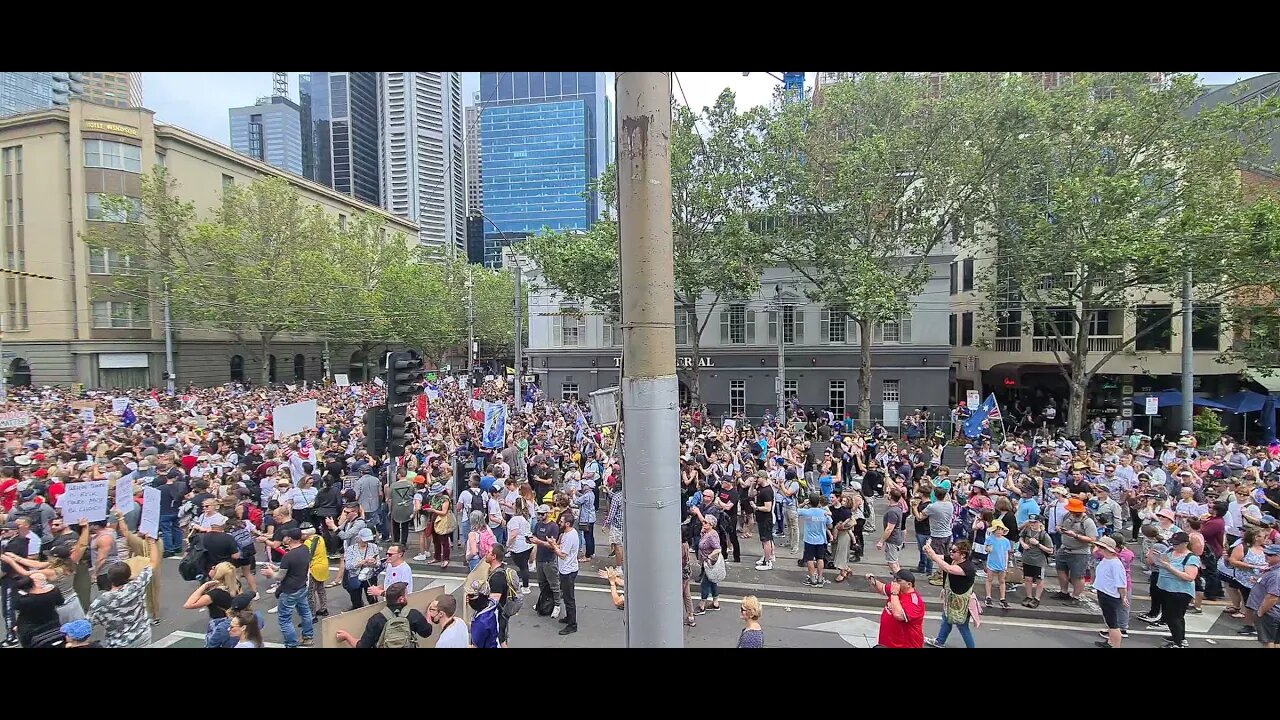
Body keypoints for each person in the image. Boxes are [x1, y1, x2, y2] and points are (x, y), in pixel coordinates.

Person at [86, 533, 161, 648]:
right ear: (129, 575)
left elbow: (87, 626)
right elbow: (153, 562)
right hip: (142, 636)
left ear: (110, 578)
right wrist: (151, 542)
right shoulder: (137, 586)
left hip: (119, 643)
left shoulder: (100, 603)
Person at [260, 527, 315, 648]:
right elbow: (293, 569)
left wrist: (271, 573)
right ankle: (308, 637)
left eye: (285, 536)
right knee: (305, 612)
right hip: (302, 587)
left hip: (289, 591)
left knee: (285, 619)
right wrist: (276, 568)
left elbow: (279, 577)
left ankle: (291, 644)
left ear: (289, 539)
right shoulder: (305, 549)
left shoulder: (288, 556)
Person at [334, 581, 432, 648]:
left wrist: (347, 636)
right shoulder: (413, 615)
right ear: (401, 599)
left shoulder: (376, 619)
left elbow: (362, 646)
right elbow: (427, 632)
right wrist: (429, 615)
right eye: (406, 594)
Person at [923, 539, 978, 648]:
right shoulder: (953, 559)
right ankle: (940, 641)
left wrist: (933, 554)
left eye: (954, 551)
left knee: (962, 626)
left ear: (963, 555)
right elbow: (938, 559)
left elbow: (948, 568)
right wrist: (928, 551)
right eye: (950, 550)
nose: (951, 552)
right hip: (952, 598)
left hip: (962, 602)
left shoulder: (967, 568)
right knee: (947, 618)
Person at [1155, 531, 1202, 648]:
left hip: (1179, 592)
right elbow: (1160, 561)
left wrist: (1169, 567)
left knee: (1173, 617)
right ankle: (1180, 637)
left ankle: (1178, 643)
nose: (1174, 545)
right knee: (1175, 616)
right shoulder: (1170, 551)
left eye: (1177, 543)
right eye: (1173, 543)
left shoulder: (1191, 558)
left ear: (1185, 543)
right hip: (1166, 588)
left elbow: (1189, 577)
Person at [1054, 497, 1097, 605]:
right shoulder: (1067, 516)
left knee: (1077, 575)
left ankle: (1076, 596)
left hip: (1079, 552)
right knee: (1060, 570)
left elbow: (1092, 539)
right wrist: (1059, 528)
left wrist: (1076, 536)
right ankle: (1064, 592)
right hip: (1064, 548)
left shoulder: (1088, 522)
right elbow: (1060, 525)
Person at [867, 568, 926, 648]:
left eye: (898, 580)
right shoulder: (898, 590)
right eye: (894, 579)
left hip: (905, 645)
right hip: (887, 643)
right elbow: (882, 588)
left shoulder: (915, 602)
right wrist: (873, 581)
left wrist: (894, 594)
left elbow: (899, 615)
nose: (894, 582)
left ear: (909, 584)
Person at [1092, 535, 1129, 648]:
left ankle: (1115, 645)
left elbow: (1121, 584)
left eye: (1101, 547)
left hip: (1110, 595)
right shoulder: (1106, 559)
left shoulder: (1115, 564)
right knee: (1109, 621)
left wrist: (1123, 598)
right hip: (1103, 592)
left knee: (1113, 624)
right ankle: (1110, 642)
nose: (1098, 549)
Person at [528, 504, 562, 618]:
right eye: (538, 513)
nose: (539, 516)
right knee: (542, 583)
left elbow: (553, 545)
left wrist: (539, 542)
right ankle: (543, 601)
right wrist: (530, 540)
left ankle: (557, 605)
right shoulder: (537, 525)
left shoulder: (553, 527)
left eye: (542, 514)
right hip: (540, 559)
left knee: (554, 584)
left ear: (548, 514)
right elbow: (535, 537)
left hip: (549, 560)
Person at [549, 510, 580, 635]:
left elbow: (562, 555)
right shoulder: (569, 533)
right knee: (567, 596)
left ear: (567, 524)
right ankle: (569, 618)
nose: (559, 523)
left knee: (569, 598)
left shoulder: (570, 536)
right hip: (567, 569)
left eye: (561, 521)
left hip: (568, 570)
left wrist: (553, 546)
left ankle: (572, 624)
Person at [1246, 544, 1280, 648]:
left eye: (1270, 554)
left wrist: (1261, 612)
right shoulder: (1273, 570)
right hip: (1272, 612)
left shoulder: (1276, 574)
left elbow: (1273, 596)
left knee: (1268, 641)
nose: (1266, 556)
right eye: (1265, 553)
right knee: (1276, 641)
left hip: (1269, 613)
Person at [340, 527, 381, 610]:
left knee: (373, 599)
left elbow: (378, 563)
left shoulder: (373, 547)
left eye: (368, 540)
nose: (366, 542)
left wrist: (374, 563)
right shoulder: (351, 549)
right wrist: (362, 562)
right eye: (364, 540)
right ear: (358, 538)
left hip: (369, 577)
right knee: (356, 601)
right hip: (355, 576)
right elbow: (348, 566)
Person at [799, 493, 833, 587]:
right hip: (821, 540)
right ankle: (820, 578)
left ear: (809, 502)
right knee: (820, 558)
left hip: (809, 540)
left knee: (810, 559)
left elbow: (795, 510)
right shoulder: (823, 512)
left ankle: (812, 578)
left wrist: (803, 504)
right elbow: (830, 525)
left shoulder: (807, 512)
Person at [299, 523, 329, 616]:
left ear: (305, 534)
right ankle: (324, 608)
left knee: (310, 592)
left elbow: (306, 556)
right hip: (323, 566)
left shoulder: (308, 542)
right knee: (321, 589)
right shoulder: (320, 538)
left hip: (314, 568)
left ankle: (312, 614)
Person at [983, 519, 1013, 609]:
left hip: (1001, 563)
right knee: (989, 579)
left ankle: (1002, 598)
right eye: (998, 529)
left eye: (1001, 529)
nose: (1000, 531)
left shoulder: (1006, 541)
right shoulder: (989, 539)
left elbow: (1006, 553)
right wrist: (988, 549)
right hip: (992, 562)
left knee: (1002, 581)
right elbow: (986, 550)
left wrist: (1006, 565)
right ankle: (988, 596)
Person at [465, 578, 501, 648]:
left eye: (471, 596)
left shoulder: (481, 623)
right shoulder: (492, 605)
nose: (468, 598)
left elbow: (475, 646)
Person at [877, 487, 906, 573]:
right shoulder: (899, 507)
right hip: (897, 538)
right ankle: (898, 577)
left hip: (893, 540)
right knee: (895, 561)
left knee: (892, 563)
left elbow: (889, 529)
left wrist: (881, 541)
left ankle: (899, 580)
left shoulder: (892, 512)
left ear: (890, 496)